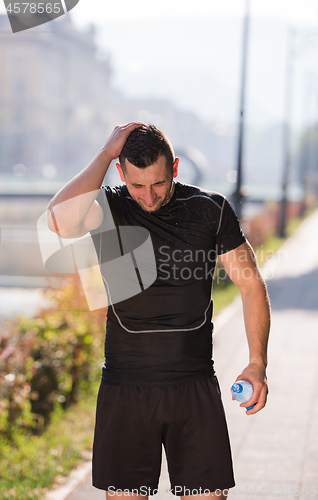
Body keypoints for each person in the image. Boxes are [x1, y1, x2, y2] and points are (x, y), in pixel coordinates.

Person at [47, 122, 270, 500]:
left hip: (194, 386)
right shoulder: (106, 207)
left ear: (176, 169)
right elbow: (59, 221)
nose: (148, 196)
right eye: (137, 185)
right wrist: (105, 152)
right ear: (121, 173)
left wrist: (257, 362)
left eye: (159, 184)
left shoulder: (209, 210)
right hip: (125, 389)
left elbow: (250, 285)